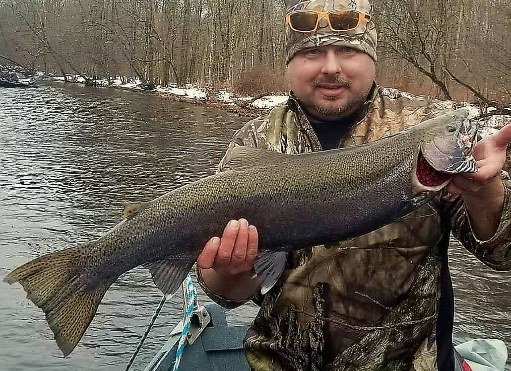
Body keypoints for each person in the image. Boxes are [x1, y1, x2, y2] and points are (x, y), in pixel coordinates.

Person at [196, 0, 511, 369]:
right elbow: (224, 294)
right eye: (312, 52)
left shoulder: (430, 125)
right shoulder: (255, 143)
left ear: (372, 59)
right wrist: (231, 272)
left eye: (347, 50)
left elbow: (504, 255)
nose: (331, 67)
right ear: (290, 63)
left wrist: (484, 192)